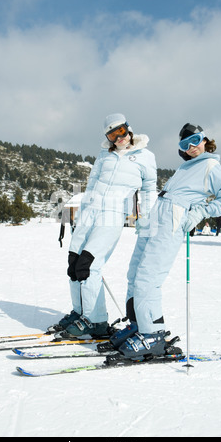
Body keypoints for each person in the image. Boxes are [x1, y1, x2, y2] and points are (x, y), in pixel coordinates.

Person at [109, 123, 221, 359]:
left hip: (172, 220)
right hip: (156, 217)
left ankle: (153, 335)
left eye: (195, 140)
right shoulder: (186, 166)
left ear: (204, 140)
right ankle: (139, 324)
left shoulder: (210, 164)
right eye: (184, 144)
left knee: (149, 276)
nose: (191, 147)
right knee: (134, 273)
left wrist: (199, 213)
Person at [48, 113, 157, 337]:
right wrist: (82, 213)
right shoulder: (104, 155)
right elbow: (92, 184)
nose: (119, 138)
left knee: (89, 264)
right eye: (112, 134)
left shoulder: (145, 156)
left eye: (121, 131)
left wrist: (146, 218)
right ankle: (80, 313)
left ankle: (96, 320)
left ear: (128, 129)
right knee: (74, 262)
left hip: (113, 215)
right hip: (90, 213)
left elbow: (148, 190)